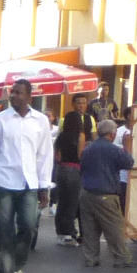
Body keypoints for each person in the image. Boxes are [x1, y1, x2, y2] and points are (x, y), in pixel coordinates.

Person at [0, 78, 56, 273]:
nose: (13, 96)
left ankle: (18, 265)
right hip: (4, 181)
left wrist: (45, 186)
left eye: (18, 92)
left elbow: (45, 155)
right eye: (12, 92)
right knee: (4, 230)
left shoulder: (40, 121)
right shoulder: (0, 120)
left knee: (28, 226)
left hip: (30, 183)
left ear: (29, 97)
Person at [77, 119, 136, 267]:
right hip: (106, 193)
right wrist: (127, 146)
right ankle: (122, 258)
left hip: (86, 192)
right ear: (112, 134)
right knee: (114, 227)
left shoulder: (88, 149)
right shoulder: (113, 149)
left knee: (90, 229)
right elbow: (128, 163)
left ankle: (91, 258)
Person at [51, 92, 94, 246]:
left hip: (61, 170)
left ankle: (61, 233)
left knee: (62, 202)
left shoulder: (61, 136)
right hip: (75, 170)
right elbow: (80, 154)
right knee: (72, 203)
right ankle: (69, 232)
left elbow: (57, 156)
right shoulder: (81, 136)